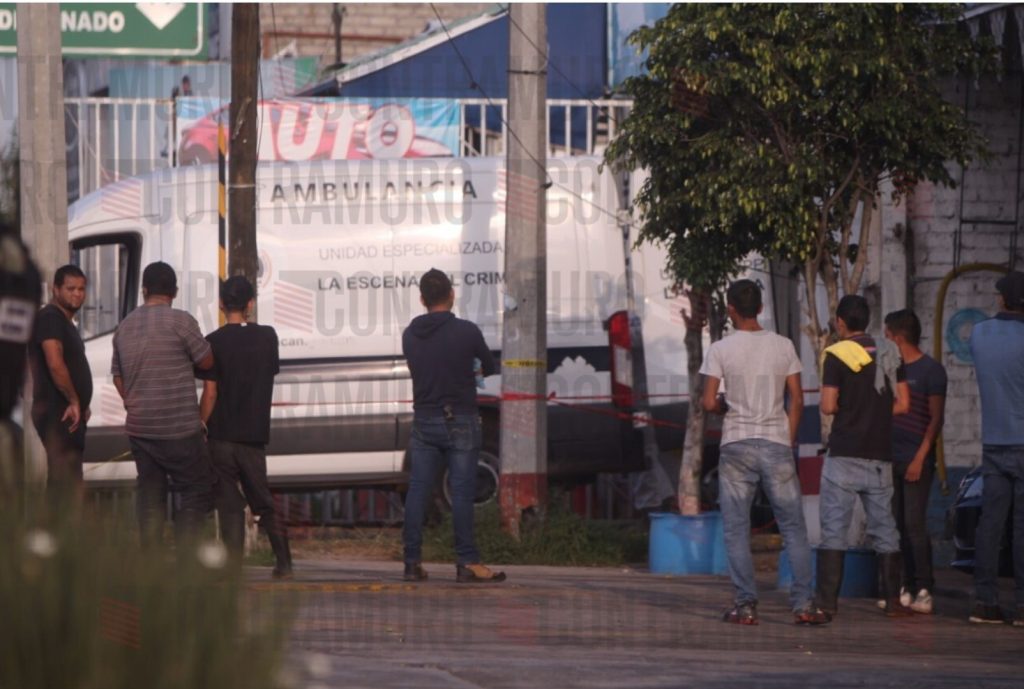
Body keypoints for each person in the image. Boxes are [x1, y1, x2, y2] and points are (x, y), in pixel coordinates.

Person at [701, 280, 828, 625]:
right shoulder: (784, 345)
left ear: (730, 310)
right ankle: (804, 605)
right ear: (760, 308)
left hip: (736, 445)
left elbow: (709, 400)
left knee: (736, 529)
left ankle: (745, 606)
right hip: (776, 443)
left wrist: (724, 409)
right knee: (793, 528)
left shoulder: (720, 349)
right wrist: (786, 439)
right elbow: (798, 400)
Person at [401, 268, 504, 583]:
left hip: (425, 420)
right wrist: (471, 369)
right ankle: (466, 562)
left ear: (422, 299)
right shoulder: (467, 332)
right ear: (451, 294)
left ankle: (412, 562)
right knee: (460, 492)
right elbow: (489, 365)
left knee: (418, 490)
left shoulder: (409, 334)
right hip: (460, 419)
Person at [815, 294, 911, 619]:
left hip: (844, 454)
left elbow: (828, 405)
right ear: (867, 321)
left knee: (834, 530)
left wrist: (849, 411)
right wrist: (876, 413)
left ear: (841, 323)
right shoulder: (889, 351)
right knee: (885, 530)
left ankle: (827, 604)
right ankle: (894, 603)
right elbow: (902, 404)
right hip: (881, 456)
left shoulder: (836, 355)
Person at [112, 261, 215, 548]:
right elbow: (206, 361)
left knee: (150, 494)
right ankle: (185, 555)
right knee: (197, 489)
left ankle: (151, 560)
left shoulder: (124, 327)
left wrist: (132, 400)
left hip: (141, 429)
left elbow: (117, 376)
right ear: (175, 292)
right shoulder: (181, 321)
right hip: (179, 428)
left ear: (144, 290)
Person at [199, 276, 292, 579]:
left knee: (228, 505)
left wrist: (201, 423)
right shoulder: (268, 337)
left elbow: (210, 393)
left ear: (222, 304)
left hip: (221, 436)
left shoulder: (212, 341)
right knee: (263, 501)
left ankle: (233, 568)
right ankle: (284, 562)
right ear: (251, 304)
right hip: (253, 436)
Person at [968, 271, 1024, 626]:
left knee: (990, 525)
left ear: (1002, 299)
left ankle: (985, 602)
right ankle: (1021, 606)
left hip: (994, 442)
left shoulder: (979, 333)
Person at [882, 309, 946, 615]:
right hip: (889, 456)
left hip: (915, 457)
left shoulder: (932, 371)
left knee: (914, 524)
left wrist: (921, 457)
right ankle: (901, 586)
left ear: (898, 337)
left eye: (887, 335)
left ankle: (924, 587)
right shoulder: (890, 370)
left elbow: (936, 419)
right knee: (893, 524)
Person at [28, 265, 92, 502]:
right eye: (70, 289)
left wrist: (82, 403)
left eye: (81, 289)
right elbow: (54, 362)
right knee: (65, 481)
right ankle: (59, 534)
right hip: (59, 412)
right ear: (56, 289)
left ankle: (62, 535)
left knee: (66, 479)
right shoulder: (50, 318)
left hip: (69, 411)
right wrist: (74, 400)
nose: (77, 294)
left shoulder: (64, 322)